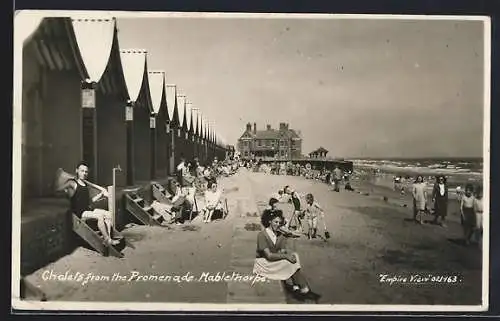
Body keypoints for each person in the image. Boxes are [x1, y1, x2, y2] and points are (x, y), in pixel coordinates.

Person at [252, 208, 321, 301]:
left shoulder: (280, 235)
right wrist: (286, 256)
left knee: (294, 256)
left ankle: (298, 287)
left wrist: (285, 252)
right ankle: (303, 289)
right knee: (288, 262)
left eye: (279, 223)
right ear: (269, 221)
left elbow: (282, 250)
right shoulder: (262, 235)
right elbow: (268, 255)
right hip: (264, 263)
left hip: (273, 262)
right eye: (275, 222)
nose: (277, 225)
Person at [59, 161, 120, 245]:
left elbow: (91, 201)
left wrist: (101, 194)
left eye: (86, 171)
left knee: (108, 214)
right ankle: (107, 239)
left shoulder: (85, 185)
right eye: (82, 171)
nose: (84, 173)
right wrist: (65, 190)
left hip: (87, 210)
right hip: (79, 213)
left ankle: (108, 238)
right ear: (77, 171)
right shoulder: (73, 183)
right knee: (100, 216)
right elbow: (60, 188)